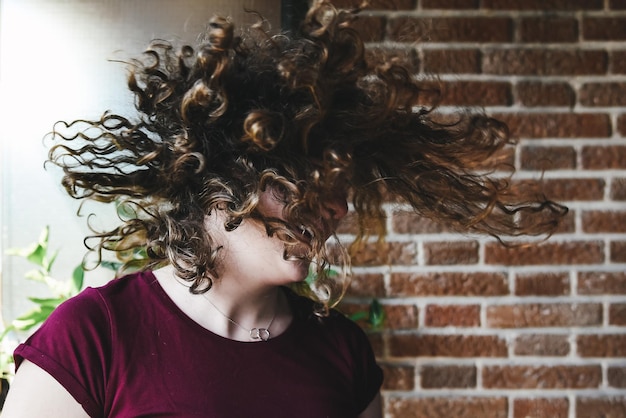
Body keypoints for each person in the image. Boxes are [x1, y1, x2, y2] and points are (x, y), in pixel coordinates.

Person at [1, 1, 567, 417]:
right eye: (302, 183)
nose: (337, 207)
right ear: (219, 180)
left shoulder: (342, 351)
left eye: (340, 186)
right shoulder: (92, 338)